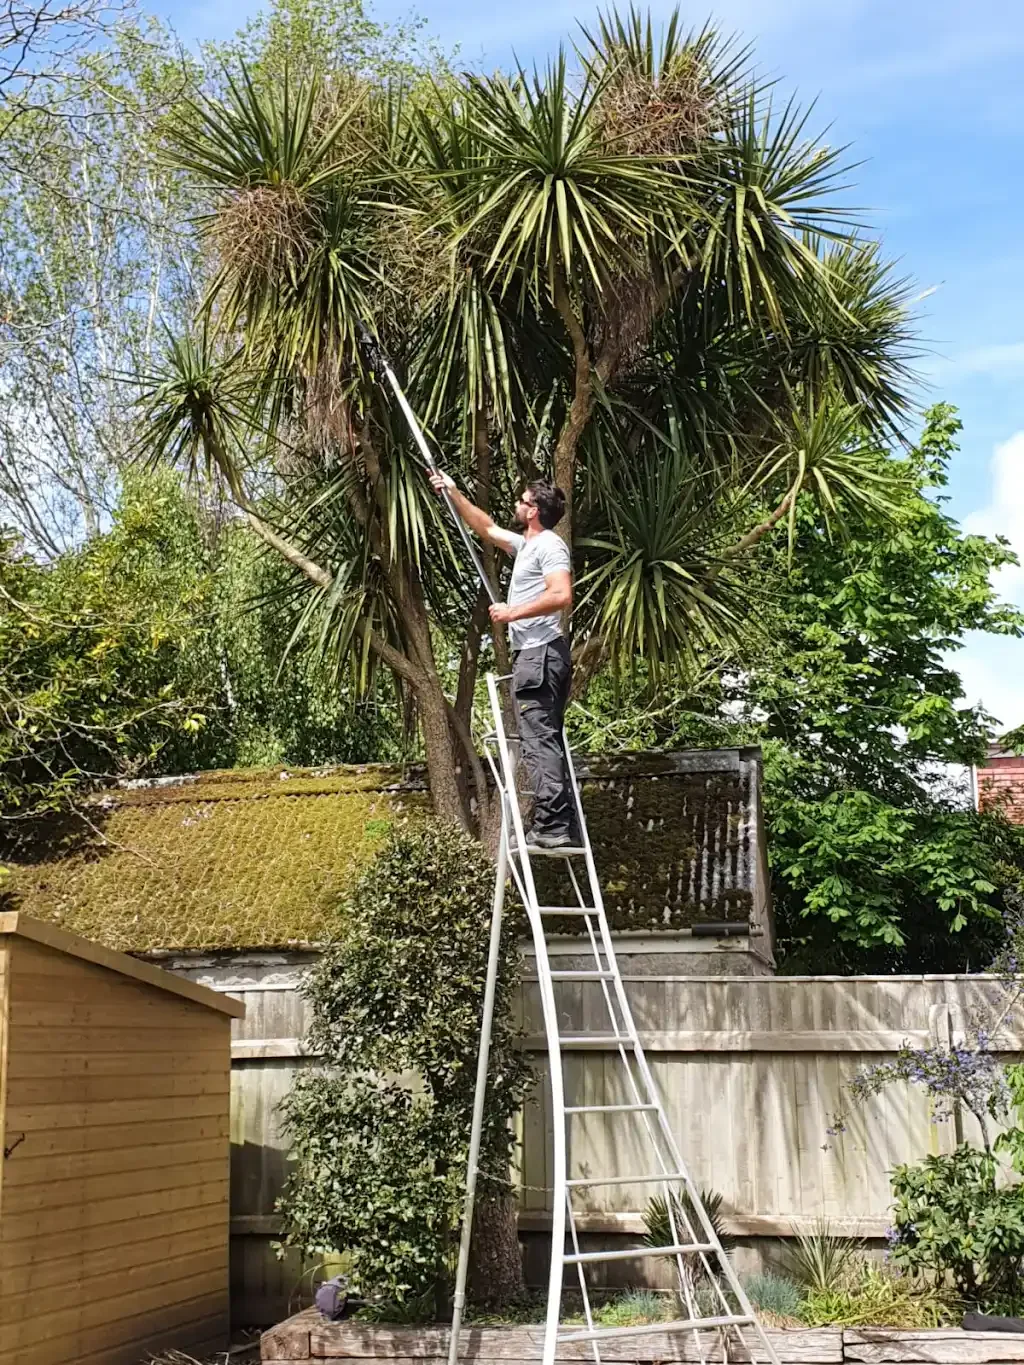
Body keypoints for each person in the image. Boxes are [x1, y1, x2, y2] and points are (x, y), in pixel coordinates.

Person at [429, 469, 576, 849]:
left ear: (534, 511)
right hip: (537, 655)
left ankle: (554, 826)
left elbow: (561, 594)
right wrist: (454, 492)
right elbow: (487, 528)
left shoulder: (549, 546)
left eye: (522, 501)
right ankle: (557, 819)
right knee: (544, 739)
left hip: (540, 654)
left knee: (538, 740)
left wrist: (513, 613)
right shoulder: (526, 546)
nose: (516, 504)